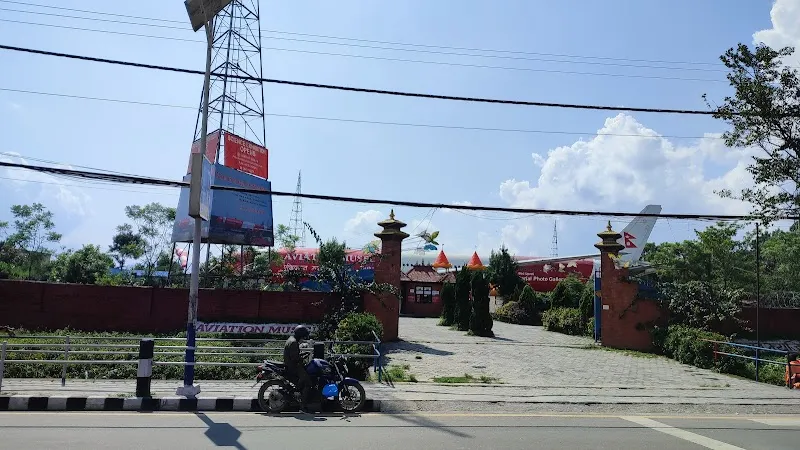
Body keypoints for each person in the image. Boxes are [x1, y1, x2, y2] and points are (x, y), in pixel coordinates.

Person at [283, 325, 313, 412]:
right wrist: (303, 357)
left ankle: (299, 391)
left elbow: (295, 355)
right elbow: (295, 358)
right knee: (308, 382)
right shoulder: (293, 342)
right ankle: (303, 406)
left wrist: (304, 354)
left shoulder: (291, 339)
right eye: (303, 336)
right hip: (294, 367)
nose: (304, 338)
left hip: (292, 364)